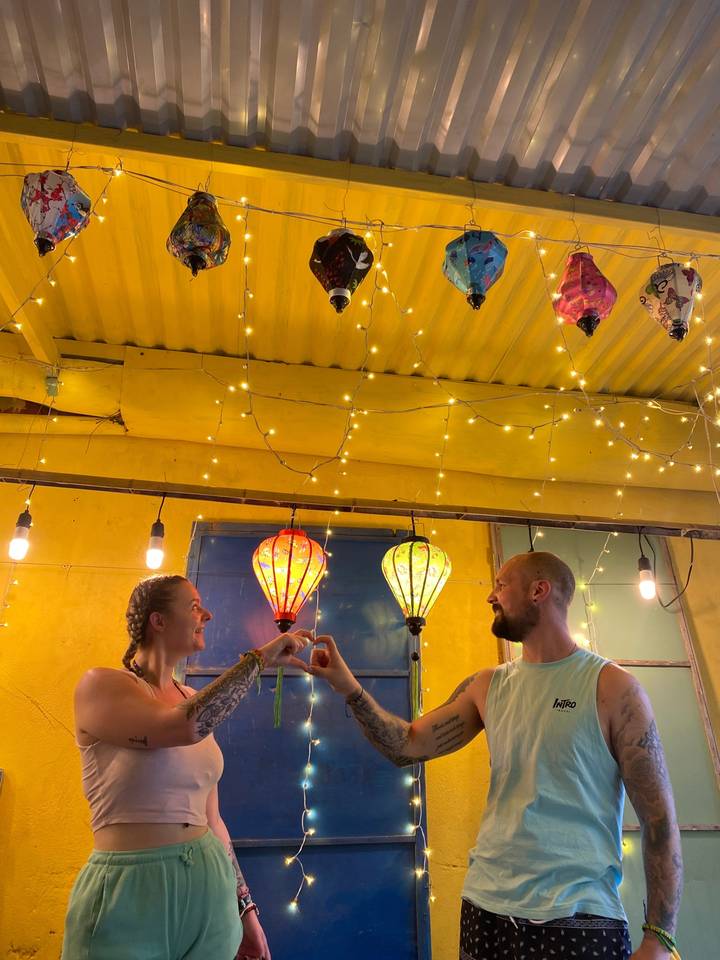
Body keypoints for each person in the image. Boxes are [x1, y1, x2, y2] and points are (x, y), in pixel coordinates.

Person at [308, 551, 683, 960]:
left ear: (539, 590)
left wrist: (659, 938)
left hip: (579, 919)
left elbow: (659, 820)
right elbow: (407, 745)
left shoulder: (613, 688)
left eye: (501, 584)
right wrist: (349, 689)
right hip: (485, 910)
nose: (491, 595)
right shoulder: (487, 686)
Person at [62, 573, 308, 960]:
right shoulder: (100, 686)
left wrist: (245, 911)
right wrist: (258, 660)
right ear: (157, 620)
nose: (207, 614)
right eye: (194, 606)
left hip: (210, 887)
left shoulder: (194, 697)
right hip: (129, 889)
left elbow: (214, 820)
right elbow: (183, 725)